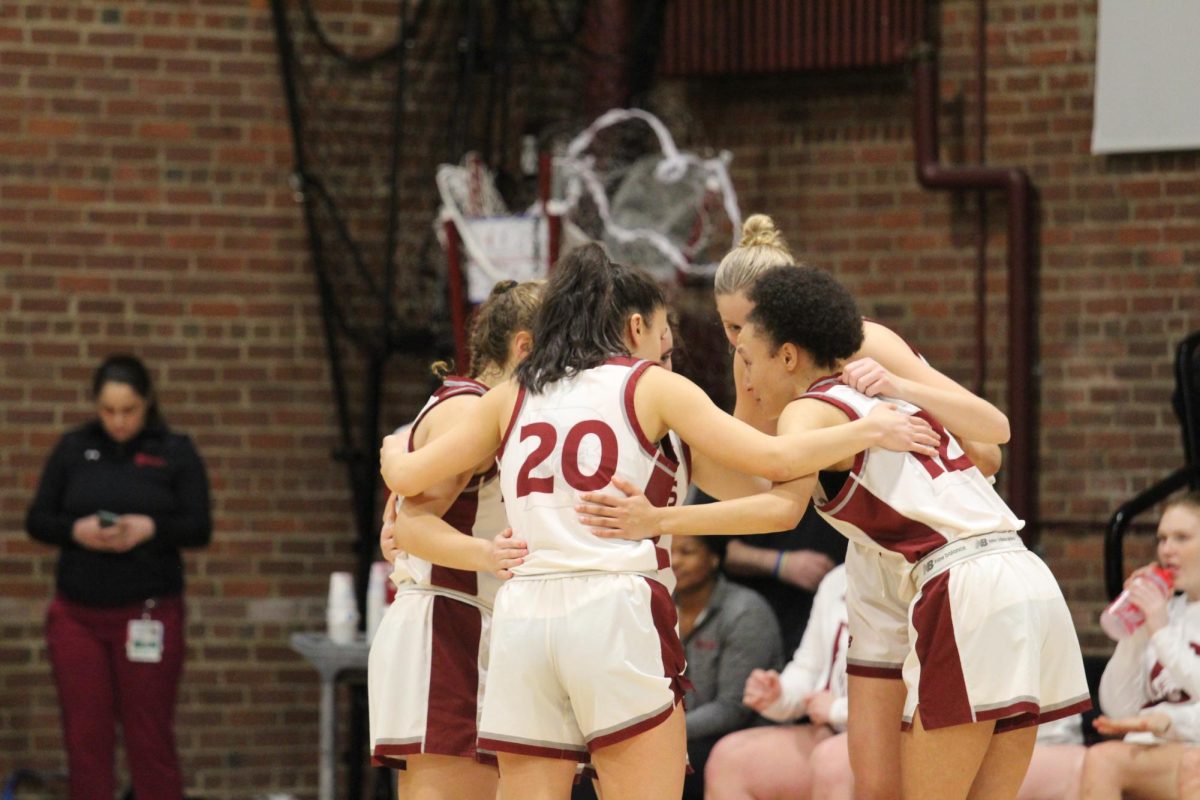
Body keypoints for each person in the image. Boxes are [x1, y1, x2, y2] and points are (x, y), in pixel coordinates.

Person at [380, 244, 938, 800]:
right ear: (636, 326)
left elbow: (407, 478)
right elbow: (774, 466)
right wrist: (867, 430)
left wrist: (392, 449)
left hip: (524, 618)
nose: (667, 354)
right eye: (663, 341)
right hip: (612, 606)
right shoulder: (649, 387)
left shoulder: (513, 394)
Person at [578, 264, 1091, 800]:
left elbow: (778, 510)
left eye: (748, 361)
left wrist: (659, 520)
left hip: (961, 585)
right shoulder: (886, 394)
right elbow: (993, 439)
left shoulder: (808, 411)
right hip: (1028, 578)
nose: (746, 381)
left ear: (789, 356)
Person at [711, 213, 1004, 677]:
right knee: (869, 729)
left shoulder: (868, 343)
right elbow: (754, 481)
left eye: (745, 324)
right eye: (728, 328)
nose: (738, 341)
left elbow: (988, 450)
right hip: (864, 539)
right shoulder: (748, 364)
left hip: (938, 536)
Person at [367, 279, 542, 800]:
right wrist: (487, 554)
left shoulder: (477, 408)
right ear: (525, 347)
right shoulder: (470, 410)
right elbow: (411, 527)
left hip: (468, 622)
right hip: (448, 623)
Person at [706, 563, 1088, 800]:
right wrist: (780, 694)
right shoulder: (840, 579)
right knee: (730, 757)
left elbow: (932, 693)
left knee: (839, 761)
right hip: (846, 727)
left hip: (948, 729)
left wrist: (839, 711)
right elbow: (810, 667)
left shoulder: (955, 577)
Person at [25, 354, 212, 800]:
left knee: (150, 739)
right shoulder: (74, 449)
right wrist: (77, 530)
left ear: (147, 403)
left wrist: (150, 528)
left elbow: (198, 526)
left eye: (128, 410)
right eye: (108, 411)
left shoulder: (175, 451)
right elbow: (37, 519)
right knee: (85, 740)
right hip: (78, 616)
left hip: (147, 613)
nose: (118, 421)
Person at [1079, 491, 1200, 800]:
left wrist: (1161, 632)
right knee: (1100, 759)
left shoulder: (1165, 623)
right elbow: (1118, 707)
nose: (1167, 550)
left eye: (1182, 538)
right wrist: (1135, 631)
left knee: (1192, 766)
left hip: (1190, 749)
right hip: (1168, 750)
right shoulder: (1166, 611)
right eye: (1162, 539)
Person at [671, 535, 782, 800]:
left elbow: (732, 708)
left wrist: (663, 733)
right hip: (680, 729)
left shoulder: (745, 611)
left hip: (738, 735)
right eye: (670, 551)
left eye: (686, 552)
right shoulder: (656, 603)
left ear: (713, 558)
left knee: (669, 763)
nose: (674, 562)